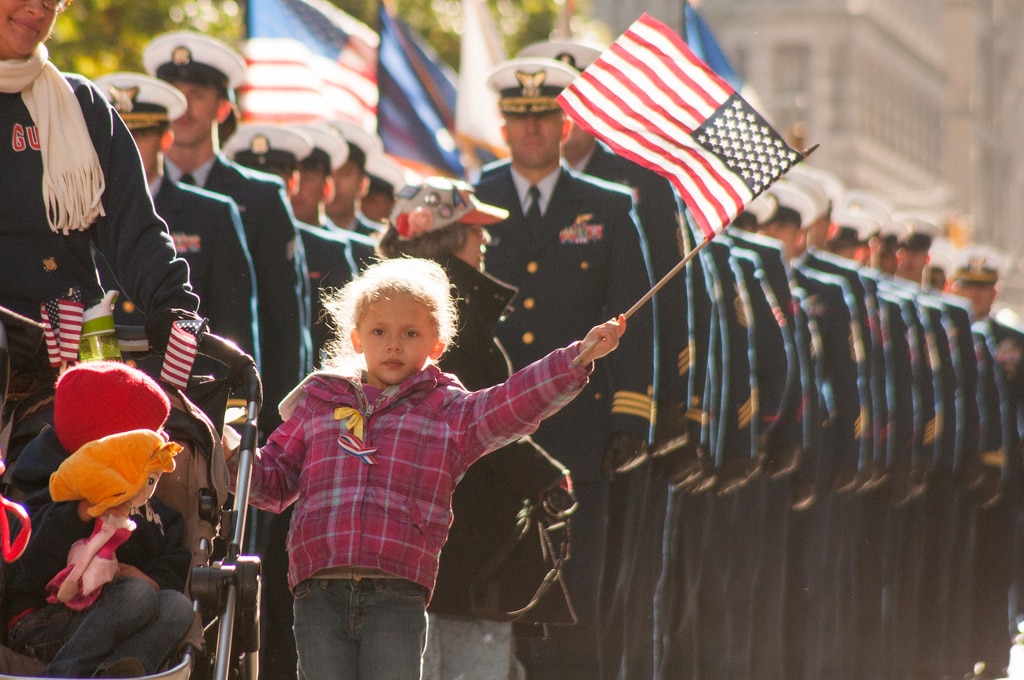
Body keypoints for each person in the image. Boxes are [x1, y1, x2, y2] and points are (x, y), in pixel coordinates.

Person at [225, 257, 626, 680]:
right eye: (379, 331)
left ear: (436, 344)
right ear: (356, 338)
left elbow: (510, 403)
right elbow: (272, 482)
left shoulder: (447, 411)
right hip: (317, 590)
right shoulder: (318, 402)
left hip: (396, 594)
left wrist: (575, 359)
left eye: (410, 333)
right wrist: (231, 455)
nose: (393, 344)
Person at [475, 55, 656, 679]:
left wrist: (631, 415)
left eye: (545, 116)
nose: (532, 130)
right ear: (502, 125)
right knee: (491, 591)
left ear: (567, 121)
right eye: (519, 117)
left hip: (579, 431)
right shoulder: (476, 197)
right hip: (490, 429)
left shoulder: (606, 206)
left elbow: (634, 317)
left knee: (576, 596)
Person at [378, 178, 576, 679]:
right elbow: (478, 418)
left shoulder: (385, 306)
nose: (484, 240)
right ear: (445, 237)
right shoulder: (445, 314)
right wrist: (547, 477)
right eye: (473, 229)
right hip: (456, 540)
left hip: (404, 539)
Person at [0, 0, 200, 433]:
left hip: (67, 379)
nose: (38, 7)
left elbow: (136, 231)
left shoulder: (82, 104)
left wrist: (176, 308)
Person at [143, 31, 311, 436]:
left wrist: (262, 427)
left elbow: (282, 324)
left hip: (227, 406)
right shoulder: (138, 196)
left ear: (223, 107)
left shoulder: (262, 196)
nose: (184, 107)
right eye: (175, 94)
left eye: (197, 94)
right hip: (154, 399)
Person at [6, 362, 193, 678]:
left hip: (121, 609)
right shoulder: (53, 484)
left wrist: (153, 579)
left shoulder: (149, 501)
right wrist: (80, 512)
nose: (162, 439)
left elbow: (174, 554)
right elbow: (30, 564)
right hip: (41, 618)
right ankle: (63, 675)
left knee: (177, 605)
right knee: (138, 596)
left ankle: (114, 673)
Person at [91, 71, 258, 361]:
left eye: (139, 134)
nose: (126, 147)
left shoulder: (213, 214)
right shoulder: (78, 211)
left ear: (166, 138)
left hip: (177, 389)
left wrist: (234, 401)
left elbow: (233, 324)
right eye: (119, 137)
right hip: (100, 380)